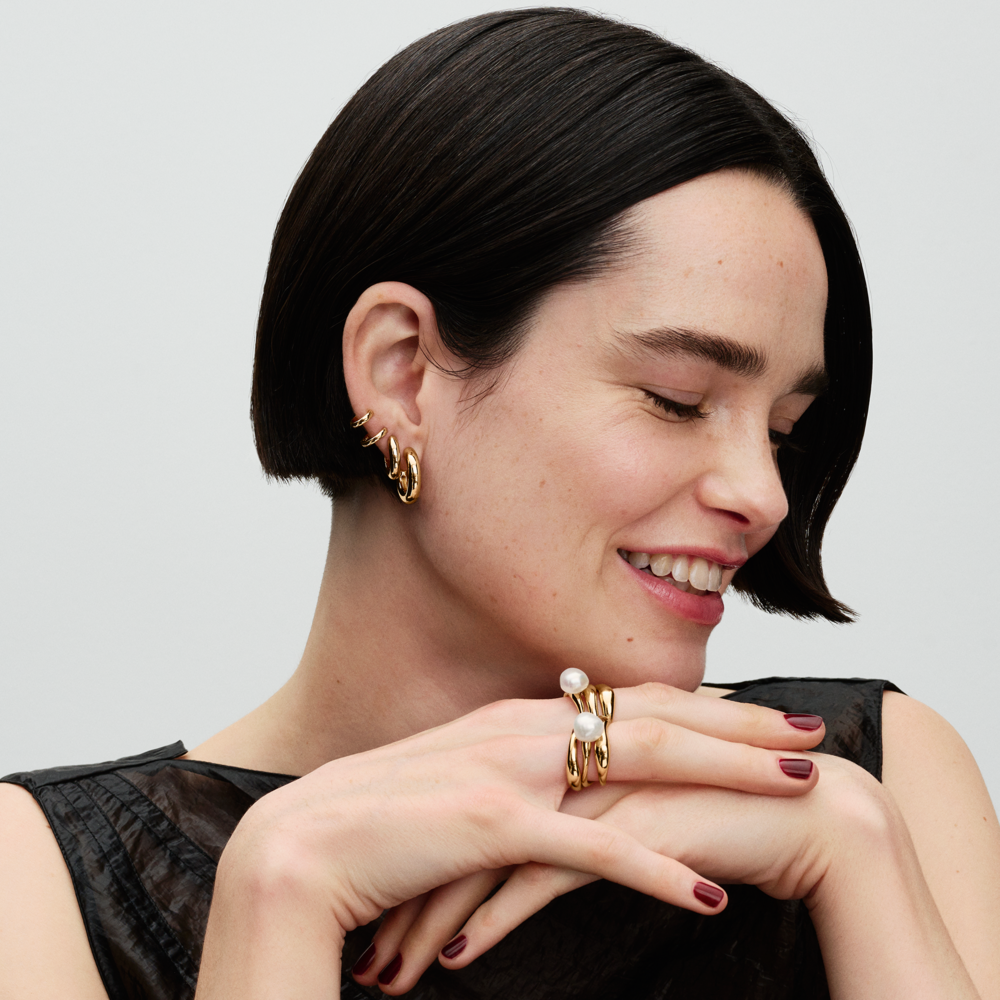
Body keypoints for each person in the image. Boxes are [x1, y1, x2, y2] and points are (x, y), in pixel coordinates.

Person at [1, 8, 998, 999]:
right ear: (401, 372)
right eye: (676, 398)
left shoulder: (869, 784)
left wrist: (856, 859)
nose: (764, 494)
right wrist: (280, 892)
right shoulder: (41, 881)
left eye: (781, 430)